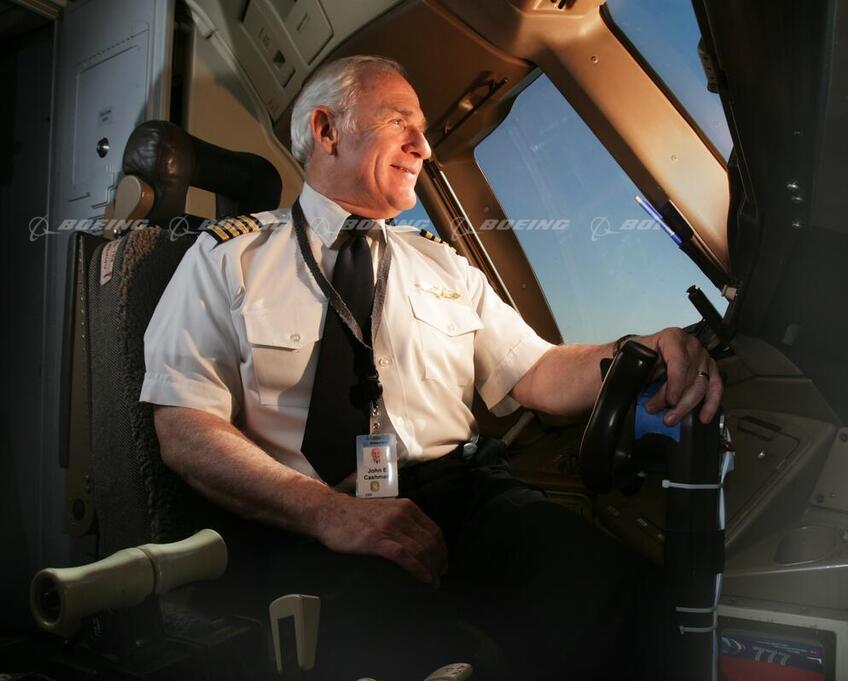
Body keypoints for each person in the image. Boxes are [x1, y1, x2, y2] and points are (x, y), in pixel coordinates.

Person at [141, 55, 723, 680]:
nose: (423, 146)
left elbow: (539, 372)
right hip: (313, 521)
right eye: (400, 122)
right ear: (327, 130)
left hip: (465, 500)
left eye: (422, 129)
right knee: (416, 656)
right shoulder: (230, 258)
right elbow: (184, 429)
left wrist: (641, 348)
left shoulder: (442, 263)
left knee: (616, 596)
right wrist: (328, 513)